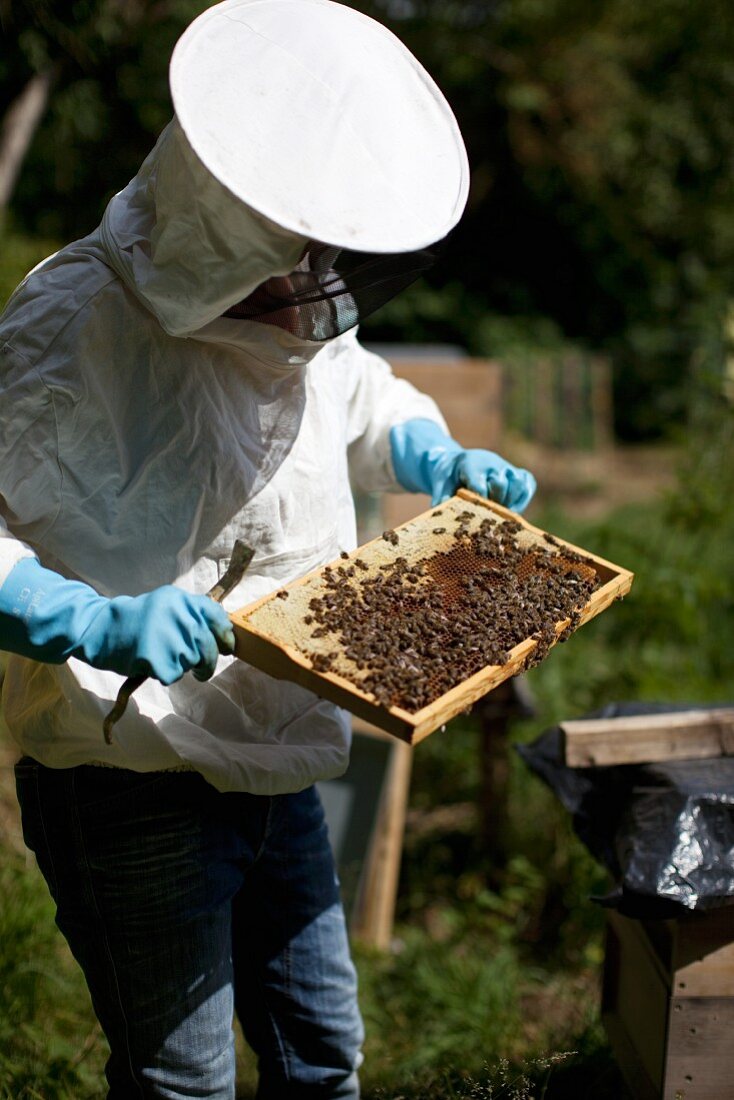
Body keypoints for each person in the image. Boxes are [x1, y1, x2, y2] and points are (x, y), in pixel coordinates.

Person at [0, 1, 536, 1097]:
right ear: (219, 238)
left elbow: (362, 390)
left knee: (322, 1053)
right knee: (183, 1083)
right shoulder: (69, 321)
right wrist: (87, 618)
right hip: (127, 767)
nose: (313, 299)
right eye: (290, 270)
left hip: (277, 747)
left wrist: (432, 453)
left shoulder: (295, 307)